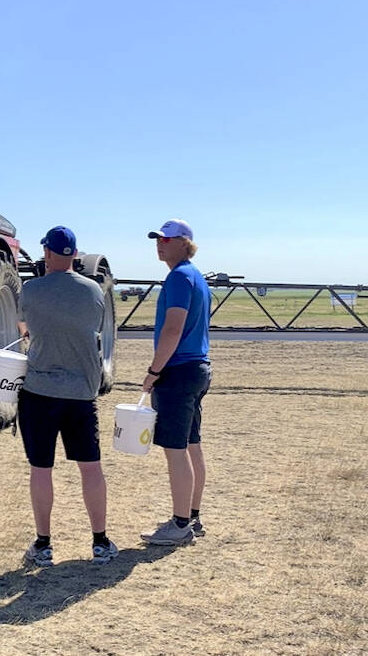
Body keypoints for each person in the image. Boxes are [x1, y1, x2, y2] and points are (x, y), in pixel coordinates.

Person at [17, 226, 118, 567]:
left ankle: (43, 544)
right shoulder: (93, 291)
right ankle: (100, 541)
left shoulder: (31, 290)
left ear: (47, 253)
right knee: (91, 469)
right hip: (80, 393)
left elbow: (24, 328)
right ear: (74, 254)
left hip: (40, 391)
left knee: (41, 469)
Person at [139, 218, 212, 546]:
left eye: (167, 239)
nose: (160, 243)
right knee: (192, 445)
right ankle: (190, 516)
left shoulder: (180, 277)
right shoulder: (194, 276)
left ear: (185, 243)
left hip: (179, 372)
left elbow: (173, 329)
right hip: (196, 369)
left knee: (176, 449)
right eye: (158, 239)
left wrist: (154, 371)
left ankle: (181, 524)